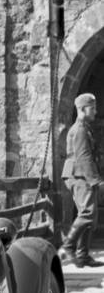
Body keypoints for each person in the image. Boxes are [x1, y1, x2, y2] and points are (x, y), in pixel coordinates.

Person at [59, 93, 104, 268]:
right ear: (83, 109)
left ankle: (82, 255)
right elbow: (84, 157)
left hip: (83, 176)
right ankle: (68, 246)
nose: (95, 111)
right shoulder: (79, 130)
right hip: (79, 176)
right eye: (92, 108)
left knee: (89, 218)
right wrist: (96, 181)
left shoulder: (85, 128)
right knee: (87, 214)